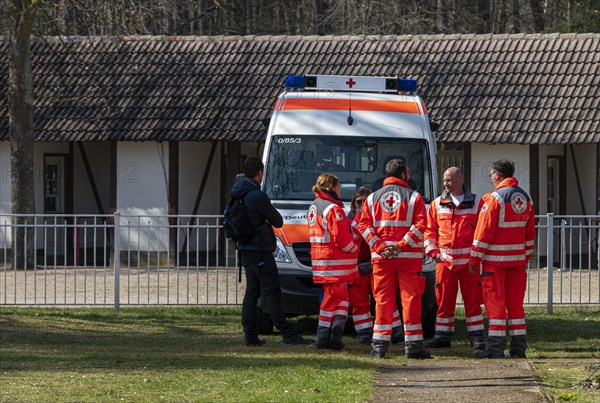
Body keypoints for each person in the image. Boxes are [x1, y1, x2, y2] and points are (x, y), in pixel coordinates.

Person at [229, 156, 312, 347]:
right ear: (260, 173)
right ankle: (287, 333)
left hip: (246, 248)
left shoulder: (237, 192)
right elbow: (278, 221)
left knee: (252, 291)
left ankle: (250, 335)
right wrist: (265, 220)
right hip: (260, 249)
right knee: (272, 290)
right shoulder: (257, 195)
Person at [358, 159, 431, 359]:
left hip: (381, 258)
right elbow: (420, 225)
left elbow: (363, 226)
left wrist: (381, 247)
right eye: (408, 171)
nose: (409, 174)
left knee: (382, 300)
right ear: (402, 174)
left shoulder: (372, 198)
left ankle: (379, 347)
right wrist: (400, 246)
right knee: (410, 299)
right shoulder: (415, 198)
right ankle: (413, 347)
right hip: (408, 257)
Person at [469, 159, 536, 359]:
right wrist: (524, 257)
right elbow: (530, 233)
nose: (491, 178)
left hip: (495, 263)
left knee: (495, 304)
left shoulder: (494, 198)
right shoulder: (526, 198)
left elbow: (483, 232)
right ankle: (518, 348)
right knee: (515, 305)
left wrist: (474, 259)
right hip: (517, 263)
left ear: (497, 175)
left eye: (491, 175)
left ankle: (495, 348)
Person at [424, 167, 485, 350]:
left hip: (469, 263)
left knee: (473, 301)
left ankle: (476, 337)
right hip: (445, 262)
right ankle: (442, 337)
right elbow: (429, 232)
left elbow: (482, 232)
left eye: (449, 180)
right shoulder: (437, 204)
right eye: (444, 181)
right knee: (443, 302)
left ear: (460, 178)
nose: (446, 184)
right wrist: (434, 254)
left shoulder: (477, 203)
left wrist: (477, 257)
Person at [308, 174, 359, 350]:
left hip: (325, 263)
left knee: (342, 298)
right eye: (339, 186)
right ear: (332, 187)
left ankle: (336, 336)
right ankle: (323, 339)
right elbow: (343, 240)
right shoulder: (332, 209)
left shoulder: (315, 206)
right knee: (333, 299)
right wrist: (355, 248)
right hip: (334, 264)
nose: (341, 189)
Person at [348, 187, 404, 345]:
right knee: (359, 301)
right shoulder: (351, 220)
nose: (362, 204)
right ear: (354, 203)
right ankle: (364, 332)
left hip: (377, 263)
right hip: (358, 266)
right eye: (359, 202)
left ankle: (395, 331)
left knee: (385, 298)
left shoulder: (379, 218)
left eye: (365, 201)